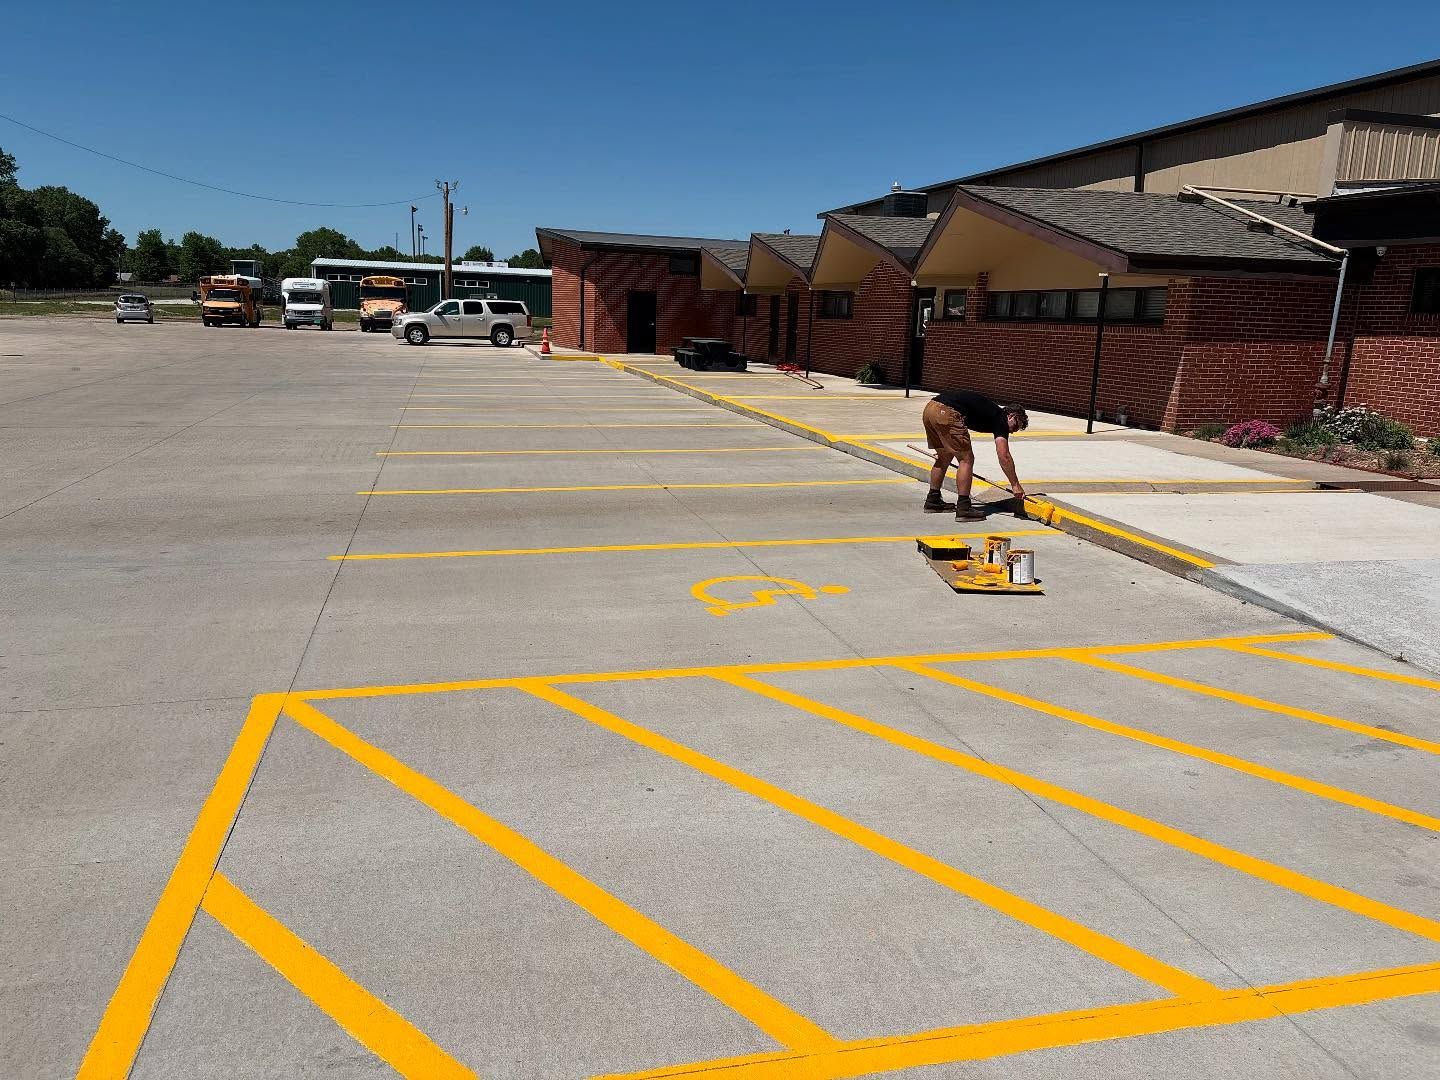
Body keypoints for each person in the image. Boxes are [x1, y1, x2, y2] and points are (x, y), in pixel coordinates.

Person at [921, 390, 1029, 521]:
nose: (1013, 431)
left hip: (930, 409)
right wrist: (1015, 485)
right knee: (966, 459)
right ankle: (964, 508)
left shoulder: (993, 413)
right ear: (1011, 416)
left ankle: (933, 500)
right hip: (947, 412)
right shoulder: (1001, 418)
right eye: (1016, 426)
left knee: (944, 457)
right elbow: (1004, 455)